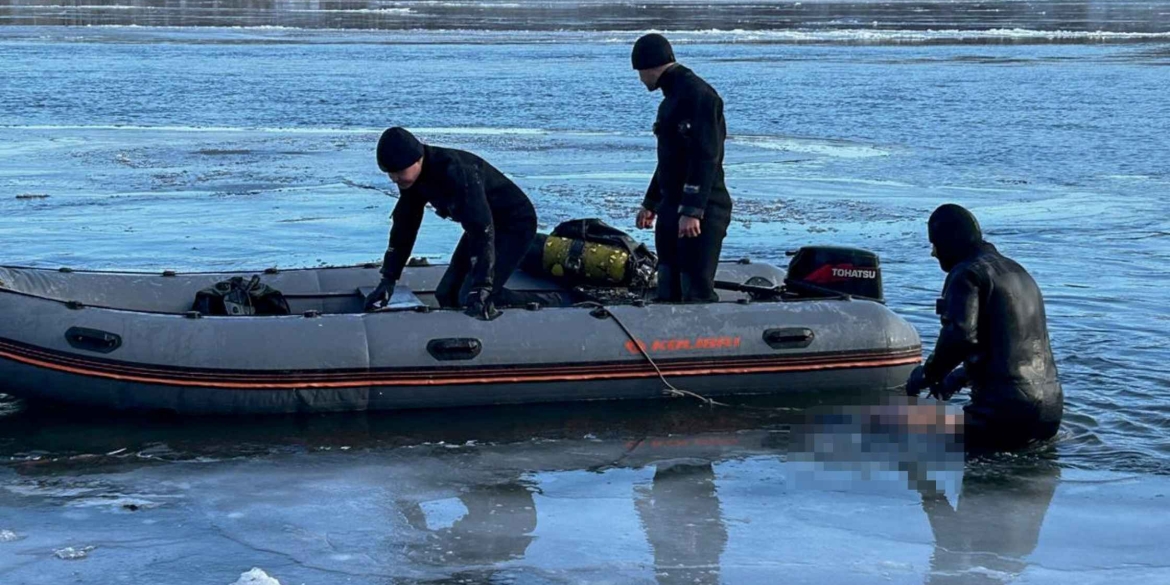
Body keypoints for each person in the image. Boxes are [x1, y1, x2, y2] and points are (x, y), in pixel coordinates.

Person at [906, 204, 1064, 453]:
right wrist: (954, 379)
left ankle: (922, 493)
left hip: (1000, 415)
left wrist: (927, 375)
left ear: (949, 241)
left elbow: (959, 337)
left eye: (934, 244)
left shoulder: (966, 273)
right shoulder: (1018, 272)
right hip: (1050, 412)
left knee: (905, 438)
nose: (933, 253)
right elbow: (1006, 348)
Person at [366, 127, 544, 319]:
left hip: (514, 224)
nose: (394, 178)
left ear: (417, 159)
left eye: (398, 172)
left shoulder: (456, 172)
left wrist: (482, 285)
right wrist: (389, 279)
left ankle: (550, 304)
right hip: (482, 225)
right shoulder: (412, 181)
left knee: (471, 295)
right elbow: (404, 228)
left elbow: (481, 230)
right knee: (446, 293)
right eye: (389, 173)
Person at [631, 33, 733, 303]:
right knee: (667, 280)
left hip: (704, 209)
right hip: (671, 205)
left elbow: (705, 157)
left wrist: (692, 210)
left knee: (694, 288)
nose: (641, 80)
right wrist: (651, 202)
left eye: (639, 73)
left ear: (648, 66)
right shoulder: (671, 99)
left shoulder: (699, 96)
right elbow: (670, 160)